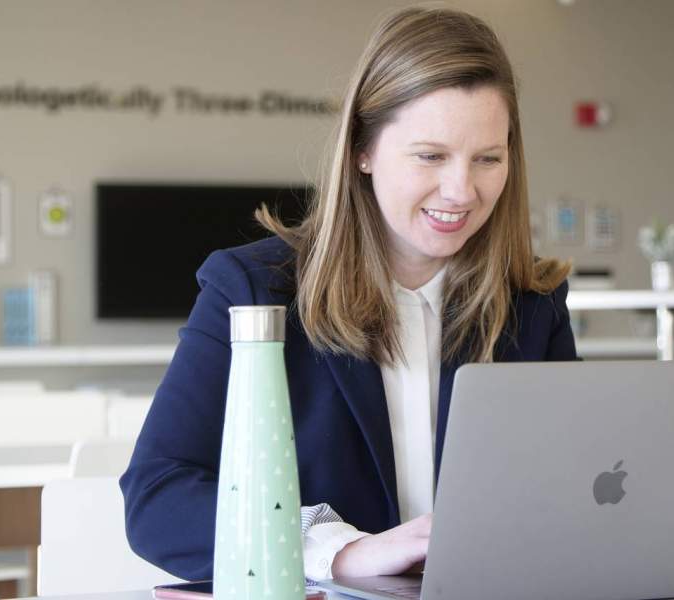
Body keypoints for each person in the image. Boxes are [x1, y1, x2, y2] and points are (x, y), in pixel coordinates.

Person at [120, 4, 577, 585]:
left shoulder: (532, 302)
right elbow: (158, 498)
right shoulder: (254, 290)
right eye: (430, 155)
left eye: (488, 158)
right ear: (363, 149)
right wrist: (338, 552)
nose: (462, 190)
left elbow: (572, 488)